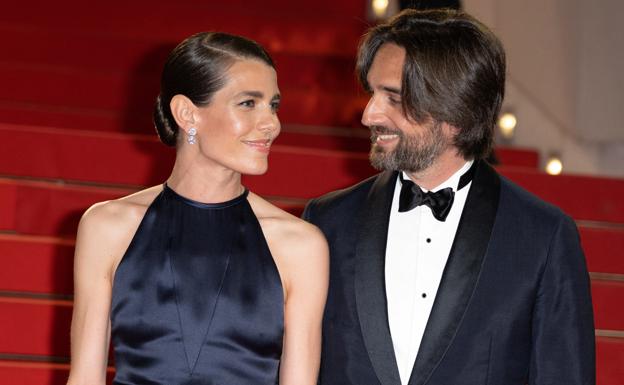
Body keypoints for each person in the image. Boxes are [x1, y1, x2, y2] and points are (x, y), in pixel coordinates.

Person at [303, 9, 595, 385]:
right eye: (372, 94)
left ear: (455, 108)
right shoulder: (328, 221)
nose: (369, 115)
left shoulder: (543, 236)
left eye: (393, 98)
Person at [67, 32, 328, 385]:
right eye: (249, 103)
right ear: (187, 113)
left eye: (274, 105)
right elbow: (84, 378)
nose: (272, 124)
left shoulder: (300, 245)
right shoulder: (106, 226)